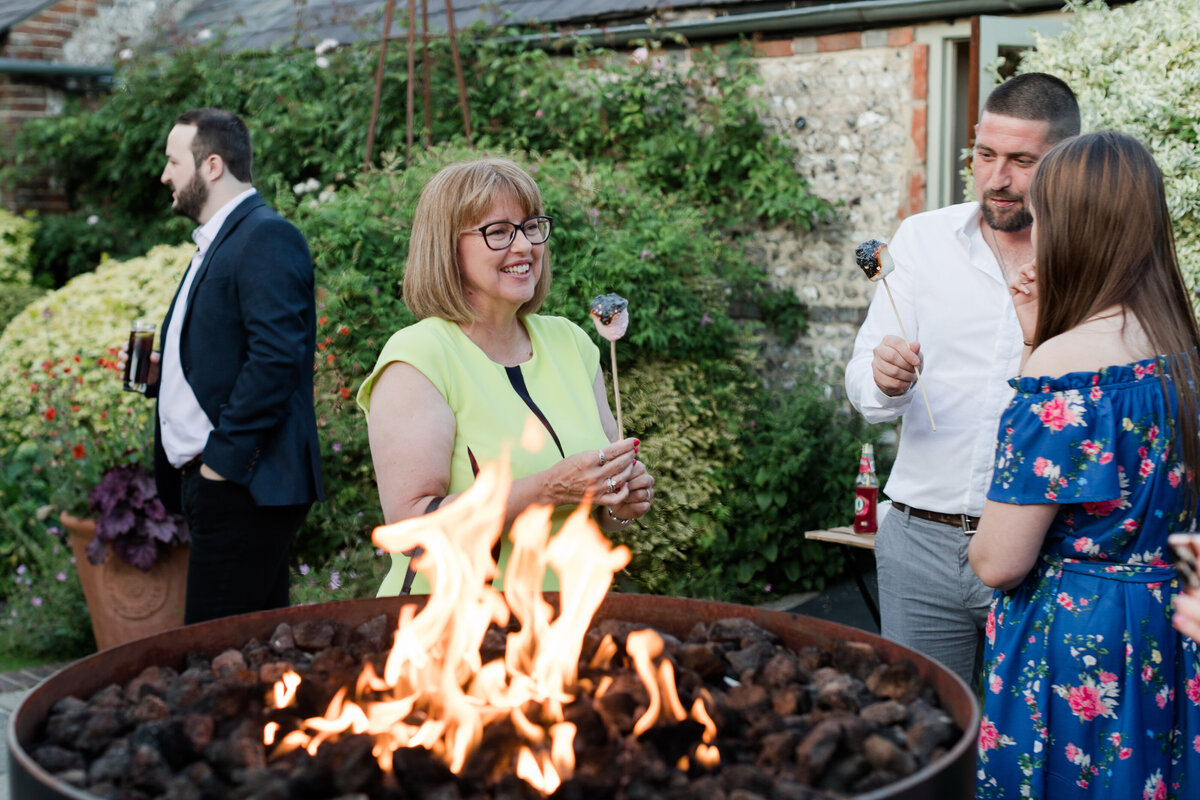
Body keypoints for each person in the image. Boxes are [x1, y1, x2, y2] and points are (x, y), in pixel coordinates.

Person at [969, 131, 1200, 798]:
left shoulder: (1067, 369)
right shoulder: (1182, 350)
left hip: (1080, 643)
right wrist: (1037, 338)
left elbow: (999, 561)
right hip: (1169, 624)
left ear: (1074, 228)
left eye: (1041, 218)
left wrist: (1044, 351)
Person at [844, 73, 1080, 686]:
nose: (996, 178)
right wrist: (884, 379)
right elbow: (865, 387)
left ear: (1064, 161)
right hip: (919, 540)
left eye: (1022, 161)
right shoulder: (922, 240)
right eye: (985, 155)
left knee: (1028, 753)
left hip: (1044, 553)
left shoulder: (1088, 260)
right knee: (921, 740)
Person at [357, 157, 653, 595]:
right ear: (447, 248)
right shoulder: (418, 358)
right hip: (453, 630)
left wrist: (622, 502)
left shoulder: (571, 343)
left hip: (563, 627)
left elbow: (604, 512)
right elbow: (413, 530)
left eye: (531, 226)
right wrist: (549, 489)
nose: (524, 247)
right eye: (498, 232)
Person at [123, 108, 324, 624]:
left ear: (211, 165)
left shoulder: (266, 237)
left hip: (242, 485)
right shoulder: (220, 241)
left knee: (213, 661)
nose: (165, 175)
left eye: (173, 162)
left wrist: (221, 466)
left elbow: (278, 360)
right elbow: (228, 352)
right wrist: (160, 375)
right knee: (249, 651)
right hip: (225, 486)